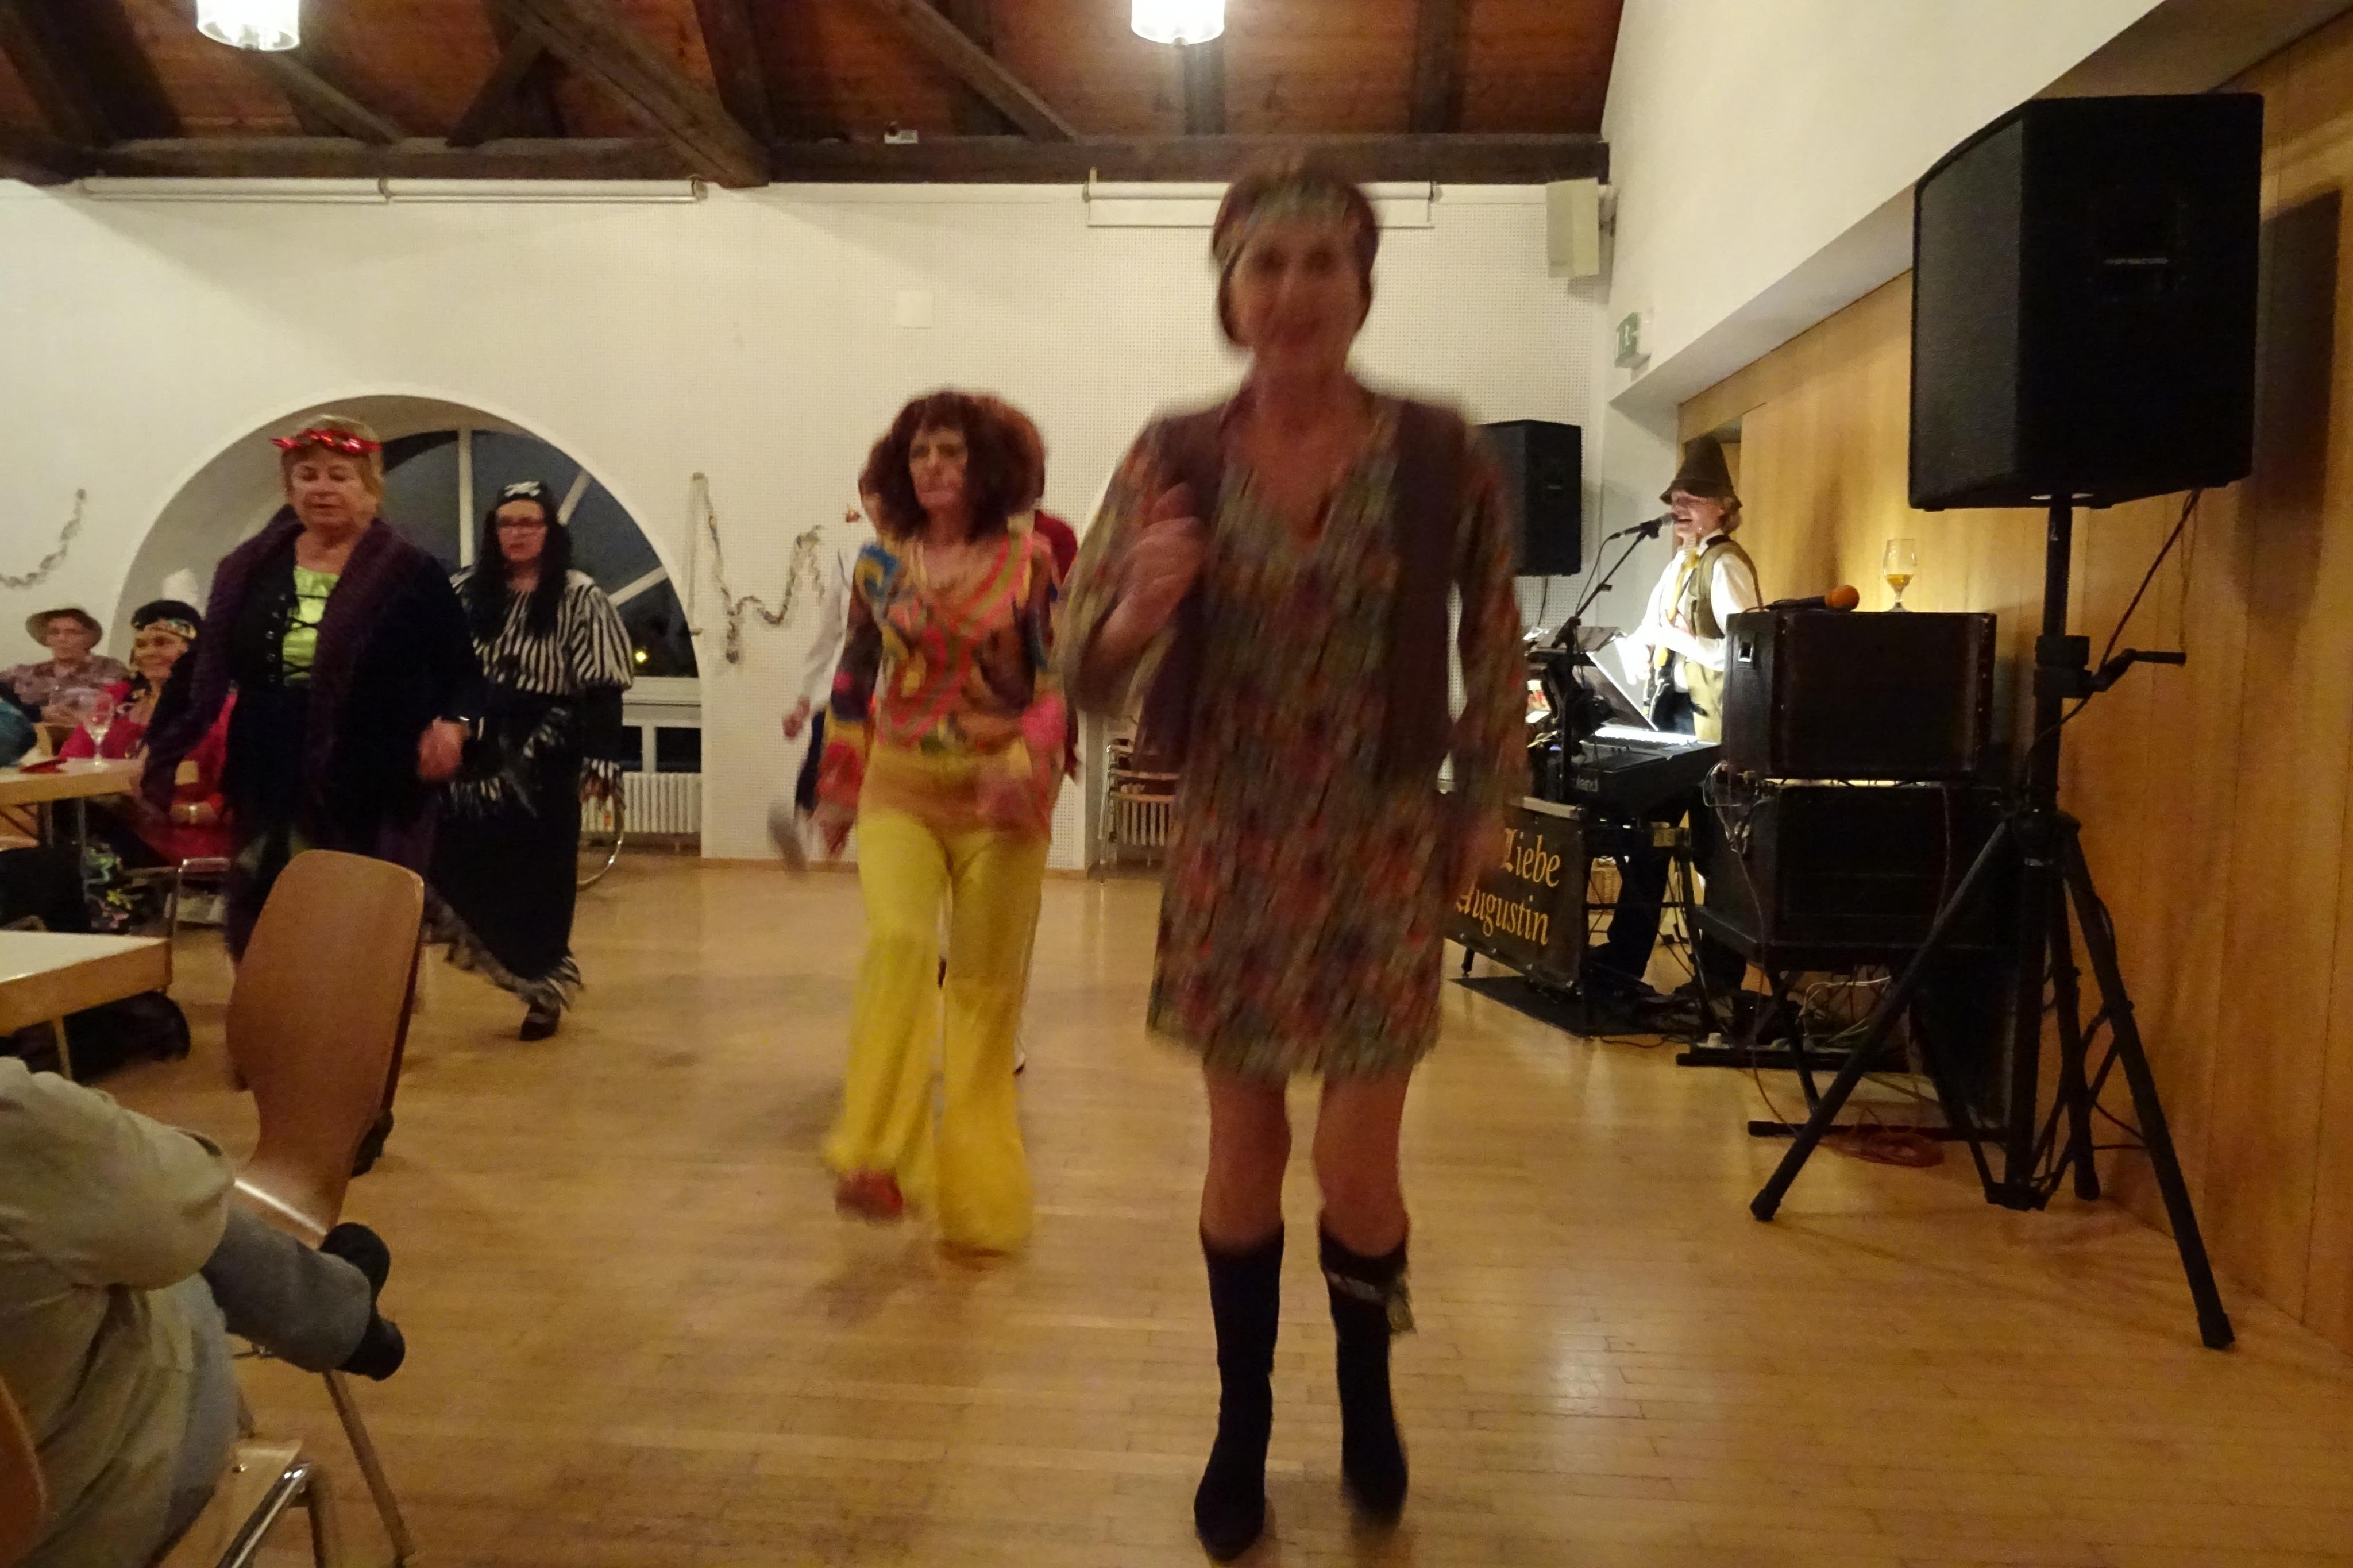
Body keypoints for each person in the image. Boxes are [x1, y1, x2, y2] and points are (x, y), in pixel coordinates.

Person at [1060, 163, 1527, 1559]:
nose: (1293, 291)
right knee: (1245, 1150)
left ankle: (1369, 1398)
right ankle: (1243, 1424)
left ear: (1362, 285)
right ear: (1228, 290)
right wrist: (1137, 611)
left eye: (1322, 262)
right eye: (1265, 265)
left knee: (1357, 1166)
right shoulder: (1174, 453)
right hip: (1233, 841)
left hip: (1381, 844)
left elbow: (1494, 633)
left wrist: (1488, 793)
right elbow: (1077, 662)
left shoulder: (1438, 450)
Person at [143, 415, 482, 1167]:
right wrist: (159, 748)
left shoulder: (410, 573)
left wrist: (453, 725)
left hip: (374, 779)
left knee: (358, 945)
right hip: (270, 774)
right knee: (270, 936)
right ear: (289, 486)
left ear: (370, 489)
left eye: (338, 476)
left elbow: (462, 672)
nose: (322, 489)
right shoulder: (248, 567)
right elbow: (204, 674)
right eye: (307, 475)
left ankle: (360, 1106)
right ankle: (283, 1075)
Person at [815, 391, 1064, 1256]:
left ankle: (977, 1200)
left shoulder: (1030, 563)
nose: (933, 467)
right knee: (899, 945)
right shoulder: (879, 567)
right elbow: (854, 679)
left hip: (1004, 802)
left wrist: (1025, 761)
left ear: (985, 466)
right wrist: (837, 782)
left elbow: (1055, 685)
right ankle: (879, 1156)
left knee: (985, 1001)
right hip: (902, 787)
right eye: (920, 452)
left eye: (951, 451)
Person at [0, 1056, 404, 1568]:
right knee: (154, 1237)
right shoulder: (15, 1119)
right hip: (78, 1529)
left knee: (110, 1225)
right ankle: (340, 1316)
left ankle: (336, 1312)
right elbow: (192, 1191)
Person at [433, 480, 635, 1041]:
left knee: (540, 875)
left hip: (546, 752)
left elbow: (603, 688)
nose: (517, 533)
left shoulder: (580, 596)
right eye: (507, 523)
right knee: (453, 852)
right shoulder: (465, 592)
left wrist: (602, 759)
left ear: (550, 532)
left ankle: (542, 986)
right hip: (477, 743)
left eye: (529, 523)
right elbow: (441, 666)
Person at [1588, 435, 1760, 1009]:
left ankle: (1719, 983)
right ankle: (1623, 959)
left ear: (1723, 508)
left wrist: (1685, 642)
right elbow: (1648, 636)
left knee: (1717, 857)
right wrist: (1608, 653)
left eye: (1693, 498)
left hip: (1711, 733)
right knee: (1646, 842)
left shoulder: (1725, 565)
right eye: (1676, 499)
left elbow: (1748, 649)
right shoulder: (1679, 567)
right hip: (1668, 726)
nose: (1679, 508)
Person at [59, 600, 233, 929]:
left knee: (75, 856)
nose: (150, 652)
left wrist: (181, 812)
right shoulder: (119, 699)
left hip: (182, 834)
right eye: (141, 644)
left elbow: (241, 790)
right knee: (54, 836)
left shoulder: (220, 708)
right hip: (119, 822)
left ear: (194, 652)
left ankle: (108, 933)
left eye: (163, 642)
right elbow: (71, 760)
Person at [3, 607, 129, 727]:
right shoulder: (24, 674)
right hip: (31, 739)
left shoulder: (111, 669)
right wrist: (37, 713)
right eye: (54, 633)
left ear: (89, 638)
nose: (62, 639)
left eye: (72, 633)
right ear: (46, 639)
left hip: (88, 737)